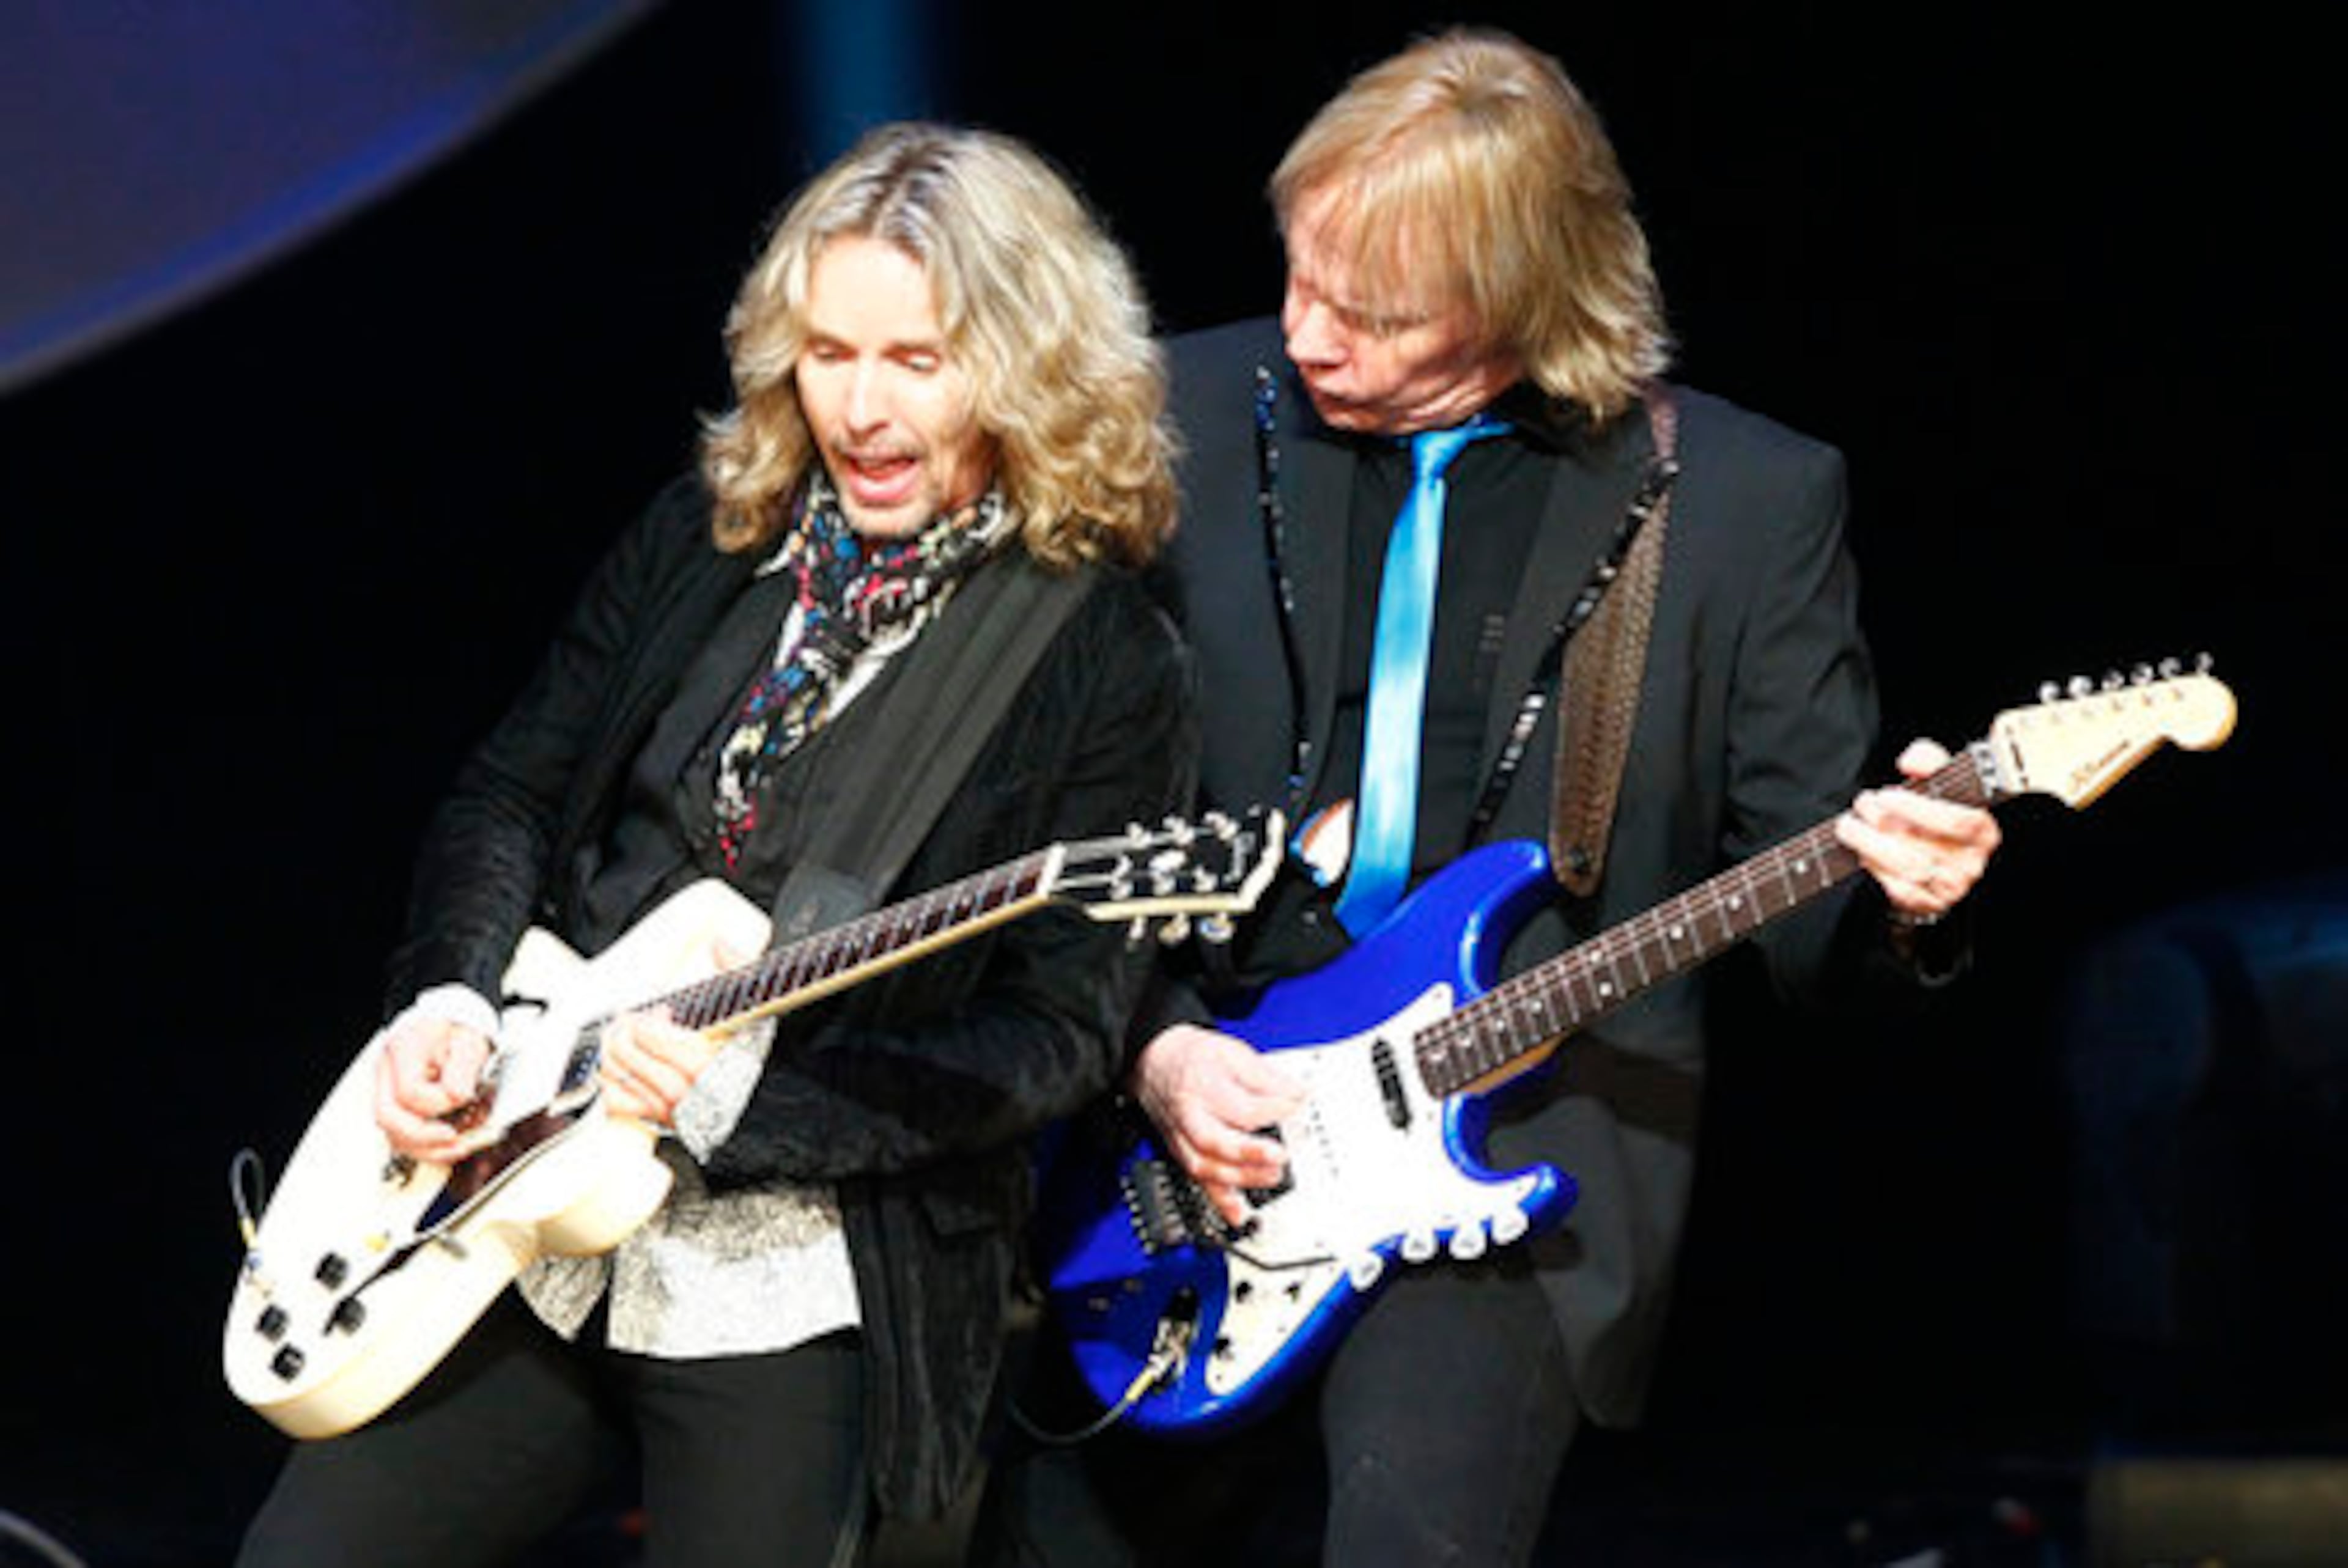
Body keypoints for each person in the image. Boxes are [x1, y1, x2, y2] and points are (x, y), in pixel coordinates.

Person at [975, 29, 2002, 1567]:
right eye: (1300, 274)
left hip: (1514, 1133)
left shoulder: (1740, 500)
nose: (1309, 334)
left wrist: (1909, 901)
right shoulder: (1172, 416)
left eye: (1375, 314)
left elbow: (1814, 936)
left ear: (1529, 300)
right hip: (1170, 1122)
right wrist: (1155, 1041)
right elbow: (1038, 800)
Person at [235, 122, 1196, 1567]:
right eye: (828, 353)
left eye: (917, 361)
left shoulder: (1101, 656)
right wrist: (449, 998)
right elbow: (512, 790)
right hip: (519, 1208)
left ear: (1026, 367)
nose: (859, 408)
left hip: (797, 1281)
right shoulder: (716, 534)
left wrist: (744, 1108)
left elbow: (1052, 1040)